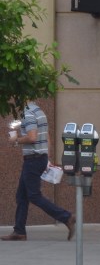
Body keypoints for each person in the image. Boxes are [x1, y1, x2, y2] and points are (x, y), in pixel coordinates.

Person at [2, 101, 75, 241]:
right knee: (21, 196)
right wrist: (47, 156)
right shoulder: (39, 111)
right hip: (39, 157)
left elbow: (32, 137)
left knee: (34, 195)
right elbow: (46, 136)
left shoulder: (27, 113)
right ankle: (19, 231)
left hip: (33, 160)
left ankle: (67, 217)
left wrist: (16, 140)